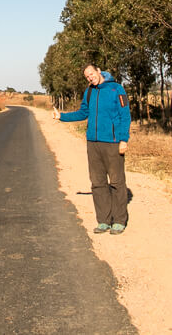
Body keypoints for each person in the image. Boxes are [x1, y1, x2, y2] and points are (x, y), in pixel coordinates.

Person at [53, 64, 130, 235]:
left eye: (91, 74)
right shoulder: (89, 92)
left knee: (117, 182)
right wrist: (62, 117)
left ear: (98, 71)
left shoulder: (116, 89)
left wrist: (124, 139)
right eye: (87, 76)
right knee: (97, 182)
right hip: (93, 143)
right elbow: (83, 113)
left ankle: (119, 221)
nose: (90, 78)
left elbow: (125, 115)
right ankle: (103, 221)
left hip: (112, 142)